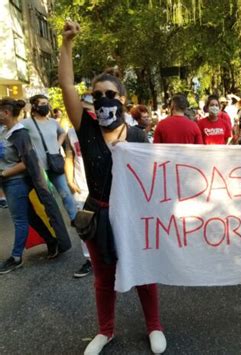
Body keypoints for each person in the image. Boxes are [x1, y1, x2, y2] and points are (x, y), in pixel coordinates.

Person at [59, 20, 166, 355]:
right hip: (99, 215)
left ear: (122, 99)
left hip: (132, 216)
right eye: (97, 94)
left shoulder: (136, 136)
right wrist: (66, 44)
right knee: (103, 278)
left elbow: (153, 180)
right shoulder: (86, 128)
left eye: (110, 95)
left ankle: (154, 326)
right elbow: (66, 88)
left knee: (143, 274)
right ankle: (105, 330)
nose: (103, 99)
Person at [0, 98, 70, 273]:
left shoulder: (20, 134)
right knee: (30, 217)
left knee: (20, 220)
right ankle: (51, 241)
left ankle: (16, 257)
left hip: (15, 182)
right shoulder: (4, 131)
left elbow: (26, 162)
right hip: (8, 183)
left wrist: (4, 173)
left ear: (6, 113)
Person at [22, 94, 78, 223]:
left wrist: (57, 144)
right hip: (39, 168)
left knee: (66, 194)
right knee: (48, 199)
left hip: (56, 165)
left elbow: (63, 132)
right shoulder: (27, 123)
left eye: (47, 103)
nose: (46, 106)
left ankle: (75, 219)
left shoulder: (53, 122)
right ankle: (55, 224)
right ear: (34, 106)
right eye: (42, 103)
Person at [66, 94, 94, 278]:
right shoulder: (71, 132)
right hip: (81, 187)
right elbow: (69, 156)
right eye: (81, 109)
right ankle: (89, 259)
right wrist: (70, 179)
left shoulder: (105, 129)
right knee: (83, 224)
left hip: (105, 188)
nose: (84, 113)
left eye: (89, 109)